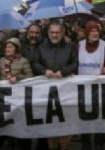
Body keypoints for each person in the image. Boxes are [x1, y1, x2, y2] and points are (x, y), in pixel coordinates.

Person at [33, 22, 78, 150]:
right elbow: (35, 62)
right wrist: (44, 71)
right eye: (52, 32)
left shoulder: (70, 46)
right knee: (50, 123)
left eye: (57, 32)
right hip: (46, 93)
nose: (54, 35)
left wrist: (63, 72)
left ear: (62, 33)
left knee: (65, 123)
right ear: (48, 33)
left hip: (65, 93)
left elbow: (75, 63)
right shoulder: (41, 47)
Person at [77, 21, 105, 150]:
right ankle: (86, 142)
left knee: (100, 116)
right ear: (87, 33)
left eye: (97, 30)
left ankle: (99, 142)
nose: (95, 33)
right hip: (82, 87)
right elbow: (74, 62)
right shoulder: (79, 46)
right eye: (92, 31)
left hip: (99, 88)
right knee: (83, 115)